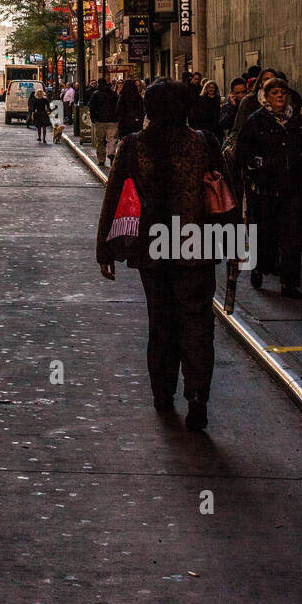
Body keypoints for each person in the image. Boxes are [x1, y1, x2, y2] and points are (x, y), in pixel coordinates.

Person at [97, 78, 236, 432]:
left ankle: (163, 395)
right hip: (196, 244)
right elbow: (225, 196)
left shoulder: (133, 146)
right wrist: (234, 247)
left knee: (161, 323)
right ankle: (198, 395)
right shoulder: (204, 143)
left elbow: (114, 197)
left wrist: (106, 249)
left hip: (152, 247)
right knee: (197, 323)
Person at [236, 77, 302, 298]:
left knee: (292, 236)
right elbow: (243, 152)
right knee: (265, 233)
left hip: (292, 187)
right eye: (274, 92)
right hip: (265, 189)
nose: (279, 96)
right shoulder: (256, 121)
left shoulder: (296, 120)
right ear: (265, 97)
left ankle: (289, 282)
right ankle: (259, 267)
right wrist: (257, 165)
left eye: (282, 92)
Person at [88, 76, 118, 167]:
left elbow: (92, 107)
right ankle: (111, 154)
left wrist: (93, 118)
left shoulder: (96, 94)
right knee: (111, 140)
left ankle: (101, 159)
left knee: (100, 140)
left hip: (100, 120)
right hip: (112, 120)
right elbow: (117, 106)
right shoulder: (113, 93)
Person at [115, 78, 145, 147]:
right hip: (136, 125)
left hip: (124, 125)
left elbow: (118, 111)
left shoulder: (122, 97)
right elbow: (142, 110)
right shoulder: (138, 97)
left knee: (125, 144)